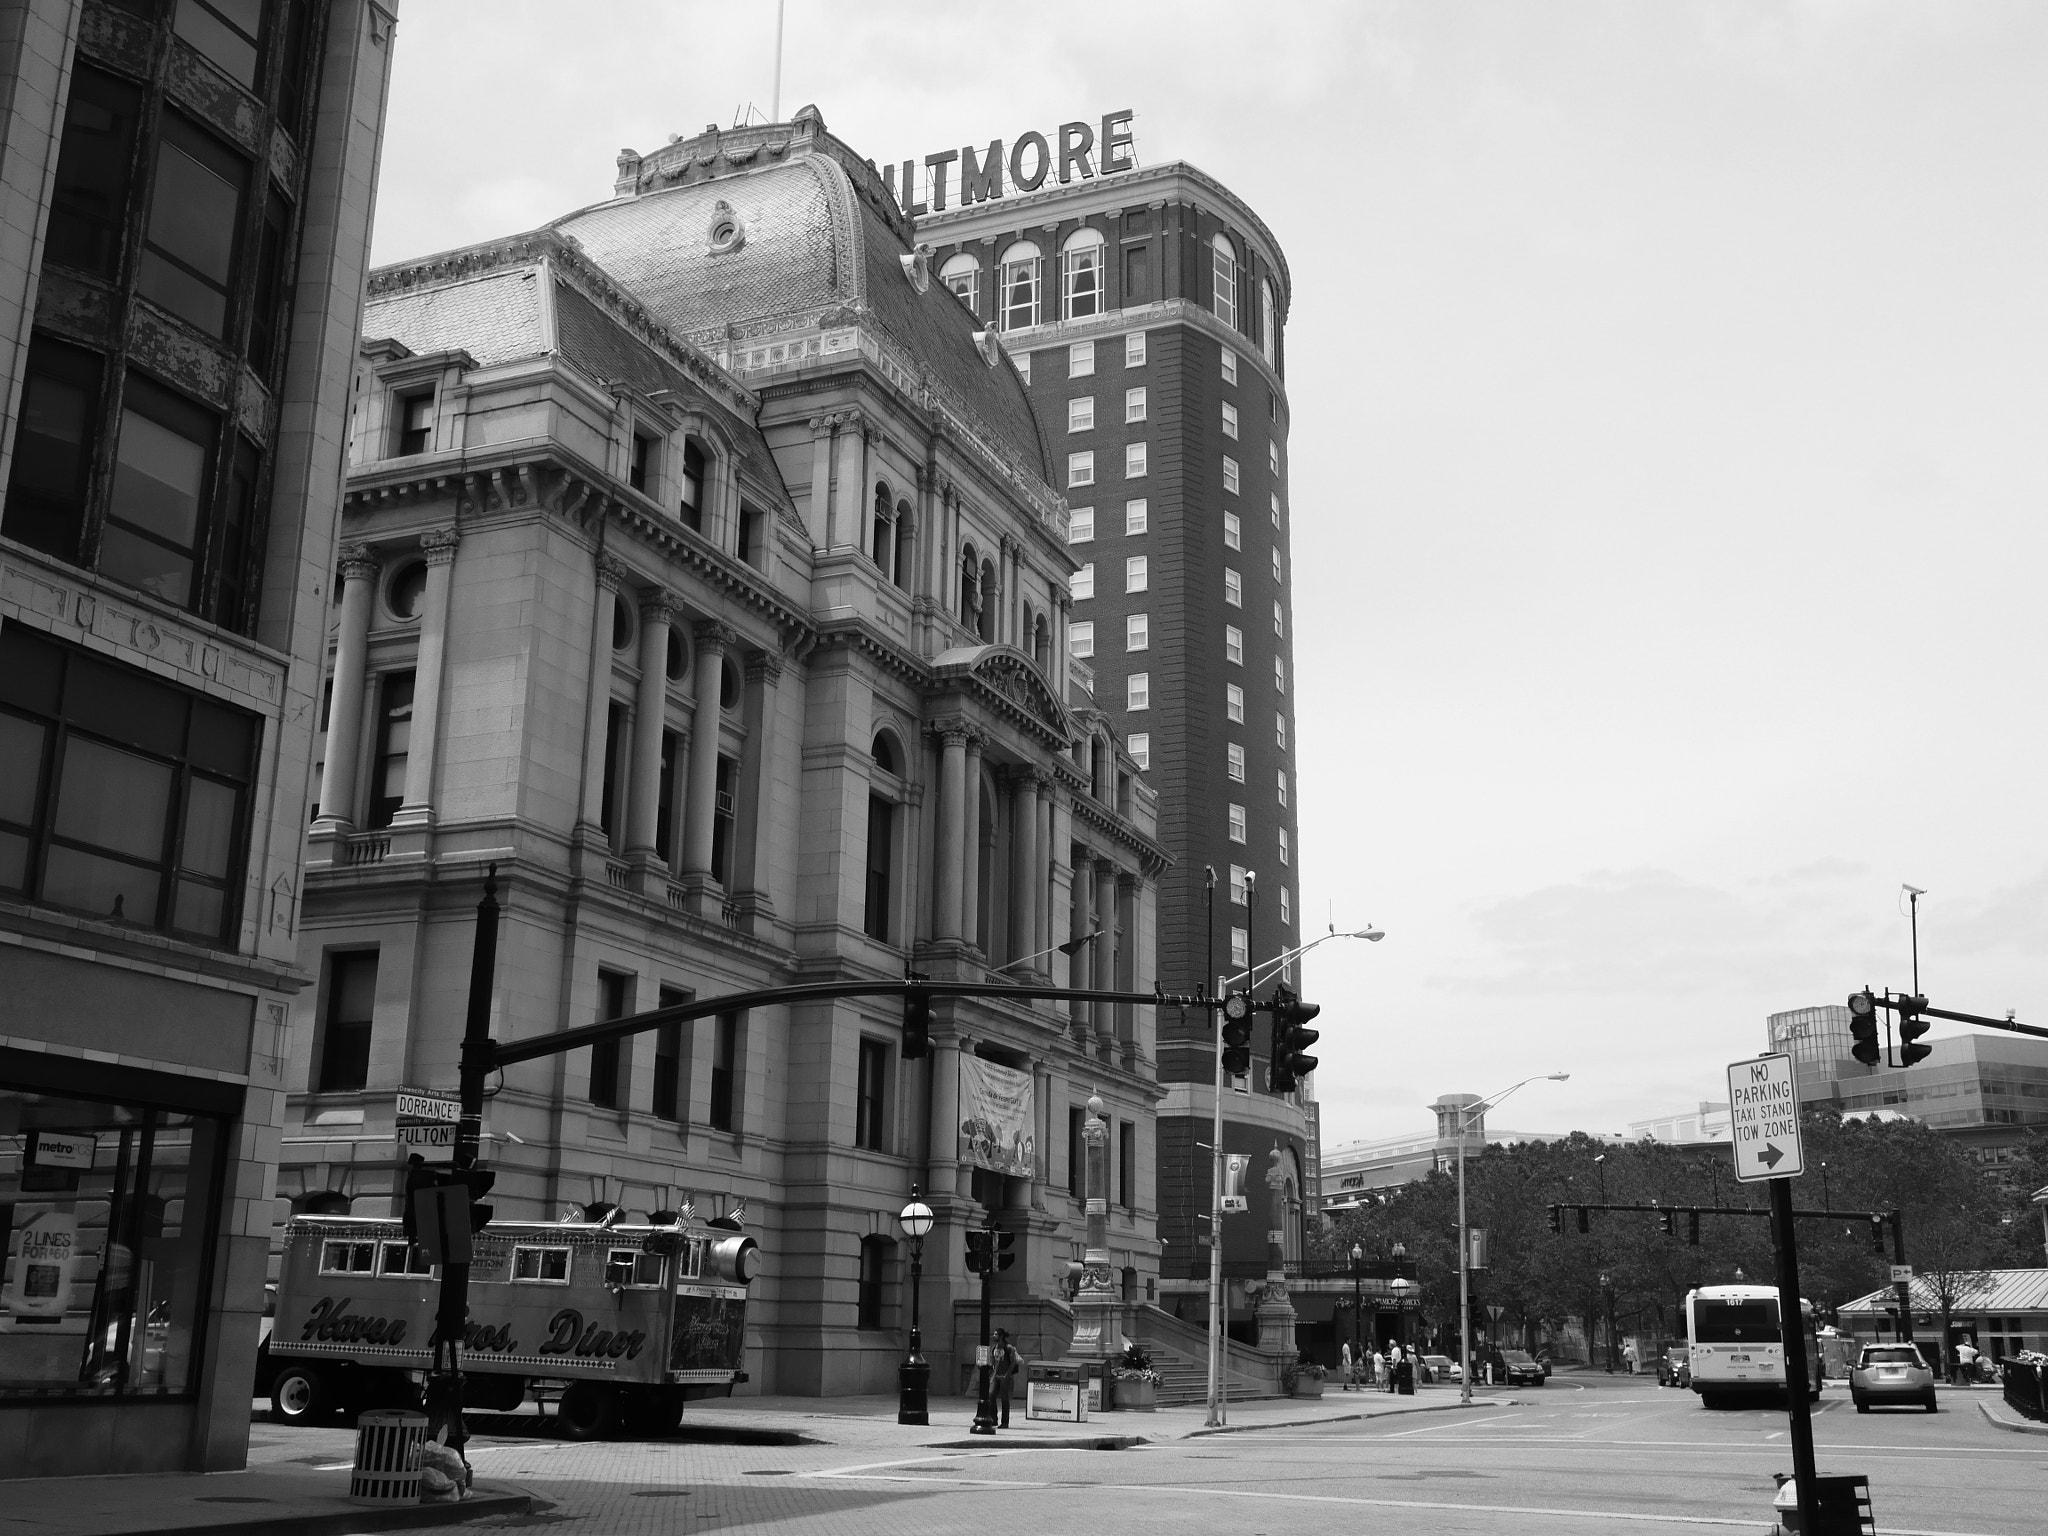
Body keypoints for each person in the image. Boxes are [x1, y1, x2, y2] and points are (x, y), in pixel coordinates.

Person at [991, 1328, 1019, 1427]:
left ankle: (1005, 1422)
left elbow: (1013, 1362)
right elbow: (993, 1361)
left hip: (1005, 1376)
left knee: (1004, 1398)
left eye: (995, 1334)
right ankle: (993, 1419)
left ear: (1001, 1336)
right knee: (991, 1396)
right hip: (995, 1375)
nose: (993, 1336)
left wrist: (1007, 1374)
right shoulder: (994, 1347)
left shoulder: (1008, 1348)